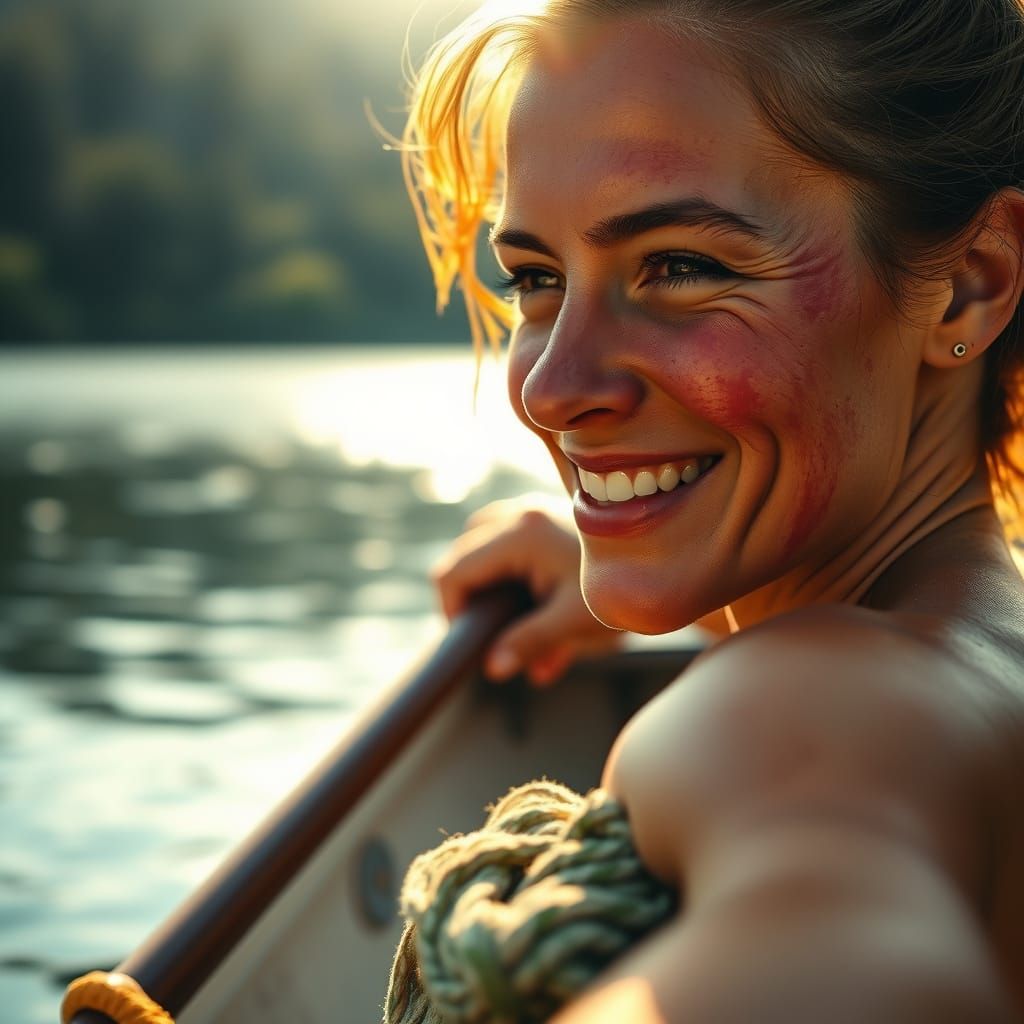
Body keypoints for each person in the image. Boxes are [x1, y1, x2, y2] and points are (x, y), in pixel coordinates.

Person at [401, 0, 1024, 1019]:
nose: (553, 388)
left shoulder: (799, 705)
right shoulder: (976, 653)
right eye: (536, 279)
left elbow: (871, 972)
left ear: (966, 283)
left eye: (681, 267)